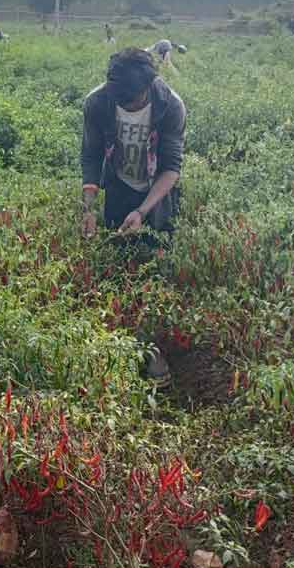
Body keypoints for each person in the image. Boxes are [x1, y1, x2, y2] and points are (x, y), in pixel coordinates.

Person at [80, 48, 185, 383]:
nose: (127, 107)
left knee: (155, 269)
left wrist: (142, 210)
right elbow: (91, 157)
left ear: (149, 86)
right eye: (121, 102)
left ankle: (154, 349)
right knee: (117, 267)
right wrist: (88, 208)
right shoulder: (98, 103)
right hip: (119, 188)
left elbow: (171, 169)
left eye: (134, 102)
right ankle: (118, 347)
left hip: (156, 194)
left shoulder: (170, 106)